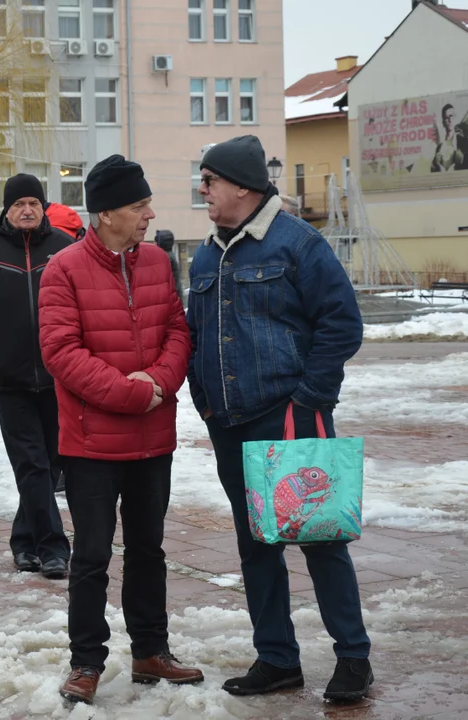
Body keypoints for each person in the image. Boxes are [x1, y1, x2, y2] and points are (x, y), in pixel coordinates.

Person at [189, 135, 373, 701]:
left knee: (319, 537)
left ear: (242, 185)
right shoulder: (204, 253)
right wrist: (203, 399)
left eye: (210, 180)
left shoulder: (298, 244)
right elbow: (196, 332)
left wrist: (310, 398)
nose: (203, 190)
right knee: (255, 543)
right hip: (230, 423)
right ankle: (277, 658)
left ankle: (353, 658)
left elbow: (342, 324)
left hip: (288, 416)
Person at [38, 156, 203, 705]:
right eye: (139, 206)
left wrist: (157, 382)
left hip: (153, 437)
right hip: (90, 443)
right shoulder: (63, 269)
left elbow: (178, 330)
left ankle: (150, 651)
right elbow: (62, 352)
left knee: (149, 548)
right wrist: (133, 393)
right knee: (91, 556)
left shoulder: (157, 261)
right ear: (105, 213)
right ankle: (85, 662)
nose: (149, 215)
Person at [0, 173, 73, 579]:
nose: (26, 210)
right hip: (11, 380)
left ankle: (24, 541)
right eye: (18, 204)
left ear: (44, 209)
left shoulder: (64, 249)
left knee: (51, 464)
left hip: (60, 378)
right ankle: (53, 548)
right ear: (6, 209)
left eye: (33, 204)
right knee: (32, 465)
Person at [154, 230, 184, 300]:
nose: (154, 244)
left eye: (156, 241)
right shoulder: (169, 256)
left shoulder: (165, 258)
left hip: (169, 299)